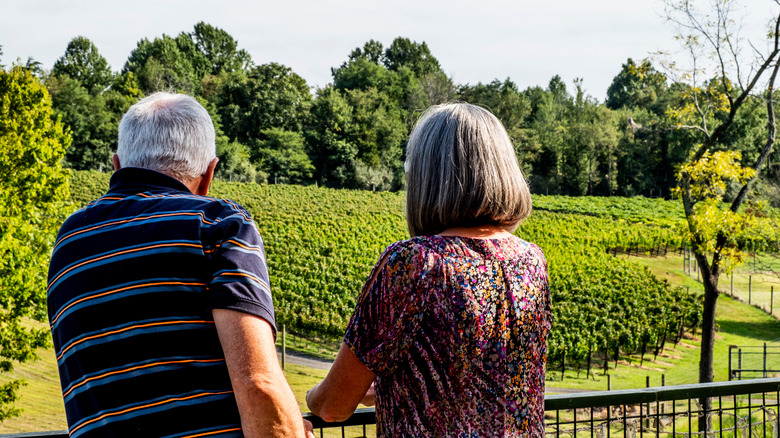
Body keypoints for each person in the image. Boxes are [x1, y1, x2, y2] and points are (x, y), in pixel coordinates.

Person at [47, 92, 313, 438]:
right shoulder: (217, 223)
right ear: (208, 175)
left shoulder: (69, 242)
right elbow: (259, 384)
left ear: (116, 165)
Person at [306, 102, 551, 437]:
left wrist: (309, 399)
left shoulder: (416, 263)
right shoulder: (531, 261)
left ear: (428, 176)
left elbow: (332, 406)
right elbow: (485, 382)